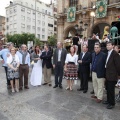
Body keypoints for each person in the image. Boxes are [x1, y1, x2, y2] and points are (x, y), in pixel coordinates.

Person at [103, 42, 120, 109]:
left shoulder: (115, 54)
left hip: (112, 75)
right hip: (107, 74)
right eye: (107, 45)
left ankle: (112, 103)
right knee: (108, 89)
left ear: (113, 46)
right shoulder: (108, 53)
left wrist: (118, 75)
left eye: (109, 45)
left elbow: (118, 66)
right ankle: (108, 100)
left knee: (111, 90)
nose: (108, 46)